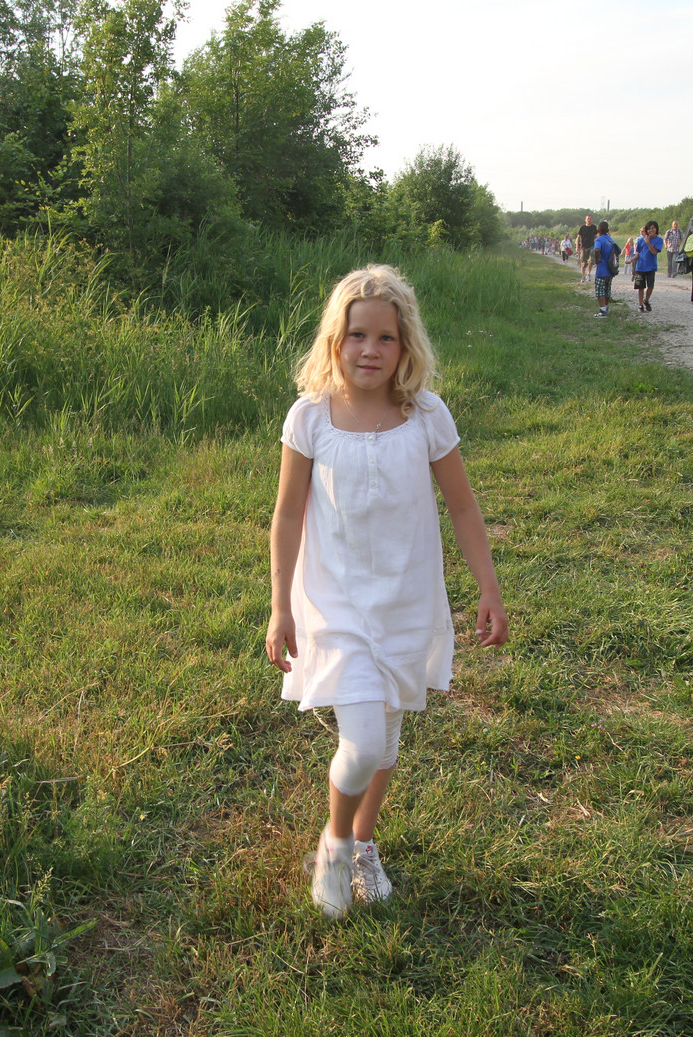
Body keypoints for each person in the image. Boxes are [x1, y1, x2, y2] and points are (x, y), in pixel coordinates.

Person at [266, 265, 508, 919]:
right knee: (364, 742)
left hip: (406, 601)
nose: (369, 350)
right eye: (356, 335)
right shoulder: (310, 417)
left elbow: (463, 507)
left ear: (405, 346)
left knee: (387, 736)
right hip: (336, 605)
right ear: (334, 340)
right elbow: (286, 515)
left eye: (385, 338)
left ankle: (363, 842)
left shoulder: (425, 415)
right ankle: (334, 845)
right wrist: (279, 604)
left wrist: (487, 587)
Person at [632, 220, 663, 312]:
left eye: (653, 228)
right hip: (640, 266)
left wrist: (648, 242)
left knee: (650, 286)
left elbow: (654, 252)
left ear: (656, 229)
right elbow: (638, 253)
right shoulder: (641, 240)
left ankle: (646, 300)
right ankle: (640, 305)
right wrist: (631, 260)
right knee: (640, 287)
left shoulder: (659, 240)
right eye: (649, 229)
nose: (651, 230)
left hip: (651, 266)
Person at [592, 220, 620, 318]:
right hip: (610, 269)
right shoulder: (611, 240)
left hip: (602, 269)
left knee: (600, 290)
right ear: (608, 230)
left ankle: (602, 310)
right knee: (607, 290)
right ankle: (606, 307)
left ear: (598, 231)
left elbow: (597, 249)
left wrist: (596, 259)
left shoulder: (599, 240)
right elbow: (619, 250)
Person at [574, 215, 598, 283]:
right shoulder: (582, 228)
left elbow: (596, 237)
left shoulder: (594, 227)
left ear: (592, 220)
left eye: (590, 219)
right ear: (585, 220)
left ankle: (588, 274)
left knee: (591, 261)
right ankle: (583, 276)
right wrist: (577, 247)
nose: (589, 220)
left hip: (591, 246)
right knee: (583, 262)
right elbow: (578, 237)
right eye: (587, 219)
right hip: (584, 247)